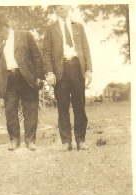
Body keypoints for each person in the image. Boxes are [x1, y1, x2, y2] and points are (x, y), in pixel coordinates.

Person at [0, 14, 44, 151]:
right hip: (8, 80)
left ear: (5, 26)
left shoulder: (25, 35)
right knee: (10, 110)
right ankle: (14, 140)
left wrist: (40, 76)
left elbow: (37, 56)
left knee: (30, 109)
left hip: (26, 77)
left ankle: (30, 141)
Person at [43, 5, 92, 151]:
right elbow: (46, 53)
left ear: (68, 8)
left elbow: (86, 48)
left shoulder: (78, 27)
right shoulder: (51, 29)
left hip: (77, 68)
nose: (60, 10)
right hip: (60, 71)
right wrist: (49, 73)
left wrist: (89, 70)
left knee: (79, 106)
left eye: (63, 6)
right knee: (62, 107)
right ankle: (66, 142)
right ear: (55, 10)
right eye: (58, 7)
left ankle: (81, 140)